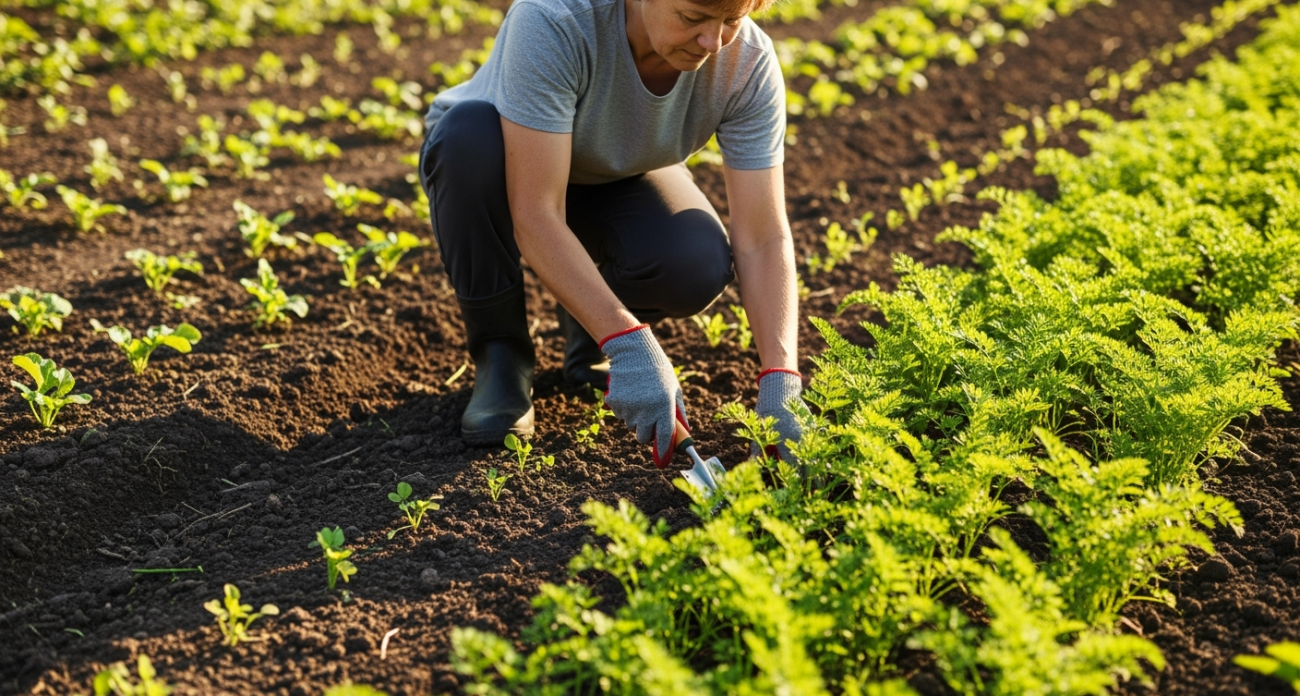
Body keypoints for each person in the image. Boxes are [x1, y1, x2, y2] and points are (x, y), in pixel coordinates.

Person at [418, 0, 803, 465]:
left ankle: (589, 332)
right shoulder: (554, 20)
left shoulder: (747, 63)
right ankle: (501, 354)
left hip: (615, 176)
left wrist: (781, 378)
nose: (713, 41)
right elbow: (536, 212)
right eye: (693, 17)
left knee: (694, 259)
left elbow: (763, 237)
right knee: (467, 139)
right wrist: (629, 343)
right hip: (501, 164)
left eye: (732, 20)